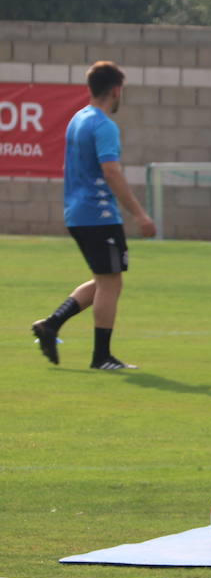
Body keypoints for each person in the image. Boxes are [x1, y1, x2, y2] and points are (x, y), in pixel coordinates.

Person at [30, 60, 156, 370]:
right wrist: (140, 215)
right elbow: (111, 170)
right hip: (99, 215)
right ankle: (101, 357)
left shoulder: (77, 119)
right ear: (116, 90)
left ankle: (51, 324)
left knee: (106, 280)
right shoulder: (103, 125)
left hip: (77, 213)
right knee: (111, 284)